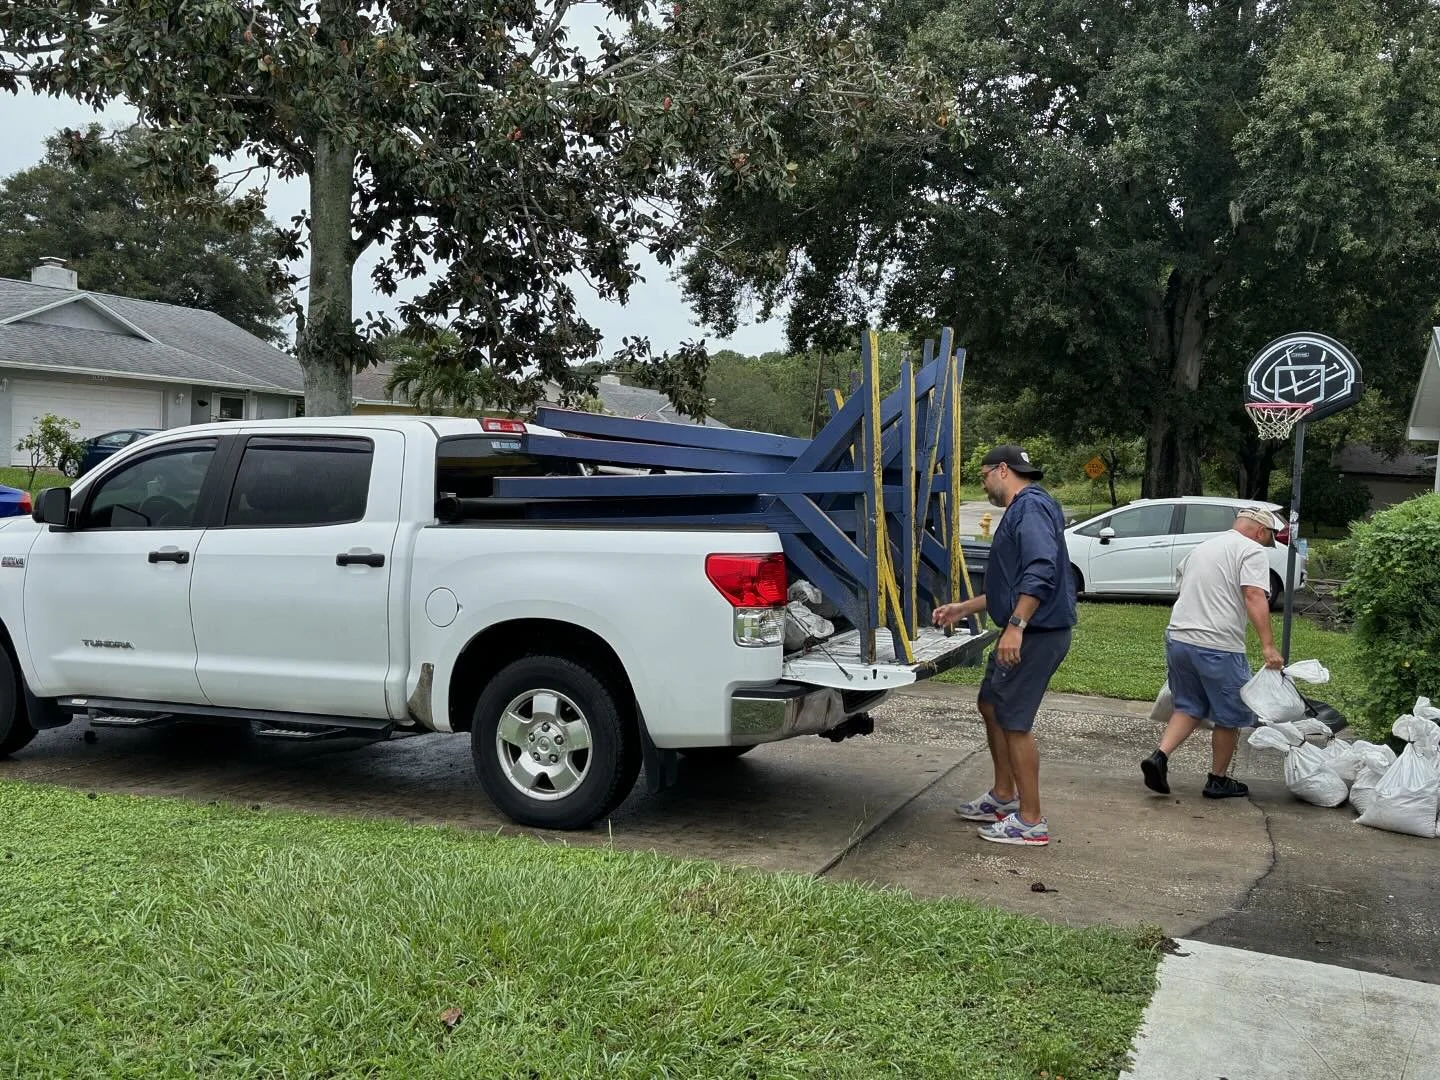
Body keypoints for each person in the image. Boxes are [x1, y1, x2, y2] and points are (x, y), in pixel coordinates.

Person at [933, 444, 1075, 847]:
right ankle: (1002, 797)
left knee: (1014, 719)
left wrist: (1015, 626)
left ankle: (1031, 822)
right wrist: (966, 606)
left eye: (983, 476)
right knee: (991, 704)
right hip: (1026, 626)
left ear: (1002, 470)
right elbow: (1013, 583)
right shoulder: (1026, 507)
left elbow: (1041, 569)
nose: (983, 484)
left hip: (1036, 633)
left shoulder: (1029, 507)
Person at [1141, 506, 1287, 799]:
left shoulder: (1203, 547)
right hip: (1218, 644)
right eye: (1268, 538)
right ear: (1261, 531)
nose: (1265, 544)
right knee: (1230, 715)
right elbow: (1254, 595)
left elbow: (1184, 586)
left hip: (1179, 637)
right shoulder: (1251, 551)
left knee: (1189, 705)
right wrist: (1269, 647)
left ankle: (1159, 756)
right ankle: (1217, 779)